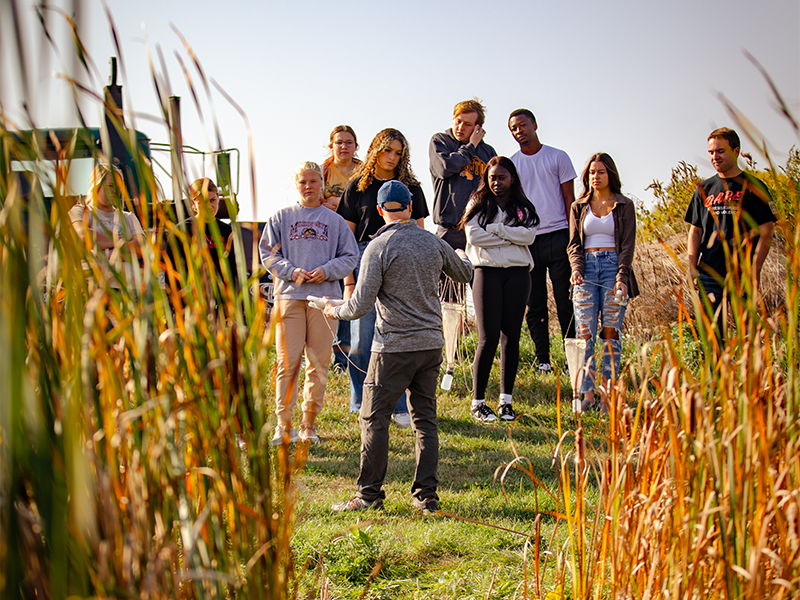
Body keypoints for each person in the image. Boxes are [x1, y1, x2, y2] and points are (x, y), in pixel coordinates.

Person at [325, 180, 473, 513]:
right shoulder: (432, 242)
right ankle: (426, 498)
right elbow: (465, 274)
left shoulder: (378, 247)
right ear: (409, 206)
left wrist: (331, 308)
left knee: (374, 417)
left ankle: (368, 496)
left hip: (391, 347)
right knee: (425, 420)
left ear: (379, 211)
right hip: (431, 344)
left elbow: (359, 305)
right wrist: (463, 255)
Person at [260, 161, 359, 445]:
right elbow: (267, 253)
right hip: (289, 298)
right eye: (303, 182)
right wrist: (291, 271)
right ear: (296, 185)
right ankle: (284, 425)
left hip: (324, 300)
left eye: (313, 181)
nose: (308, 187)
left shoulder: (336, 221)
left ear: (322, 184)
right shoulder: (281, 217)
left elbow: (350, 256)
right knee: (287, 364)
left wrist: (326, 271)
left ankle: (308, 425)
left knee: (318, 364)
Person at [336, 128, 430, 423]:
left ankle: (399, 406)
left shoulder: (412, 187)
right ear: (376, 149)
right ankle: (360, 401)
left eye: (398, 153)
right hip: (364, 259)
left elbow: (420, 234)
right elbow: (345, 241)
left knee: (395, 340)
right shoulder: (356, 187)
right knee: (361, 340)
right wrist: (349, 281)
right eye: (388, 150)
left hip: (401, 263)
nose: (392, 157)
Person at [460, 157, 539, 423]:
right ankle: (478, 403)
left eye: (501, 177)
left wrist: (495, 229)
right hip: (486, 273)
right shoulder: (478, 203)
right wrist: (508, 233)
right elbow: (474, 236)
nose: (496, 182)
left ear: (512, 178)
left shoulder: (523, 206)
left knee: (511, 337)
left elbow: (529, 236)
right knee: (487, 338)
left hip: (518, 274)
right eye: (492, 177)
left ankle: (506, 402)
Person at [684, 128, 776, 340]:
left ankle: (749, 374)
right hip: (708, 274)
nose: (715, 157)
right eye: (711, 152)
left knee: (748, 337)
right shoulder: (703, 189)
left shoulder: (754, 186)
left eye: (720, 151)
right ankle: (715, 374)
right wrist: (691, 266)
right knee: (713, 338)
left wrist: (754, 270)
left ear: (736, 151)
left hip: (741, 274)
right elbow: (695, 230)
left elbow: (766, 231)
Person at [567, 153, 639, 411]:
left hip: (612, 269)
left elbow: (628, 246)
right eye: (591, 173)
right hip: (586, 270)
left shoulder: (624, 205)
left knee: (611, 335)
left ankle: (608, 396)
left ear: (611, 175)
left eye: (600, 172)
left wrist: (622, 277)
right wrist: (576, 269)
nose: (595, 177)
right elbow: (574, 244)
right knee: (584, 335)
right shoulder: (579, 206)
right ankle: (587, 394)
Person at [508, 109, 577, 372]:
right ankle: (543, 360)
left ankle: (573, 357)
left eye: (522, 125)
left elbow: (570, 200)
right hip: (529, 240)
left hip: (559, 235)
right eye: (513, 128)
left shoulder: (557, 157)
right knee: (534, 303)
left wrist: (573, 237)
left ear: (534, 125)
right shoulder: (512, 164)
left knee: (565, 301)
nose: (519, 131)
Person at [430, 99, 497, 254]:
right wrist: (471, 146)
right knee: (445, 279)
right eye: (458, 121)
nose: (460, 127)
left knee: (478, 278)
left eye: (467, 124)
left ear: (477, 128)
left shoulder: (488, 152)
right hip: (449, 229)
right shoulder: (441, 141)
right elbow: (444, 168)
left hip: (479, 229)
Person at [321, 126, 362, 372]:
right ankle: (328, 353)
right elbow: (311, 195)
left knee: (352, 294)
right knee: (330, 295)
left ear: (356, 146)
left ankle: (347, 356)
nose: (343, 146)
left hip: (352, 236)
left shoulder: (362, 171)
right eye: (339, 142)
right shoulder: (324, 170)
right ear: (331, 146)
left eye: (348, 142)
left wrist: (337, 203)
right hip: (327, 238)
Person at [165, 178, 239, 314]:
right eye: (204, 201)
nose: (209, 206)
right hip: (189, 306)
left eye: (212, 200)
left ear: (218, 198)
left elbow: (234, 272)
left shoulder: (227, 232)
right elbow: (172, 272)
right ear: (193, 202)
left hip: (221, 307)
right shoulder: (180, 231)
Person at [69, 162, 146, 288]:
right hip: (93, 290)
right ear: (96, 185)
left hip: (129, 290)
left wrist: (102, 252)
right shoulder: (80, 212)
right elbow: (83, 235)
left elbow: (139, 247)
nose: (115, 191)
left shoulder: (129, 217)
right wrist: (121, 242)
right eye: (110, 185)